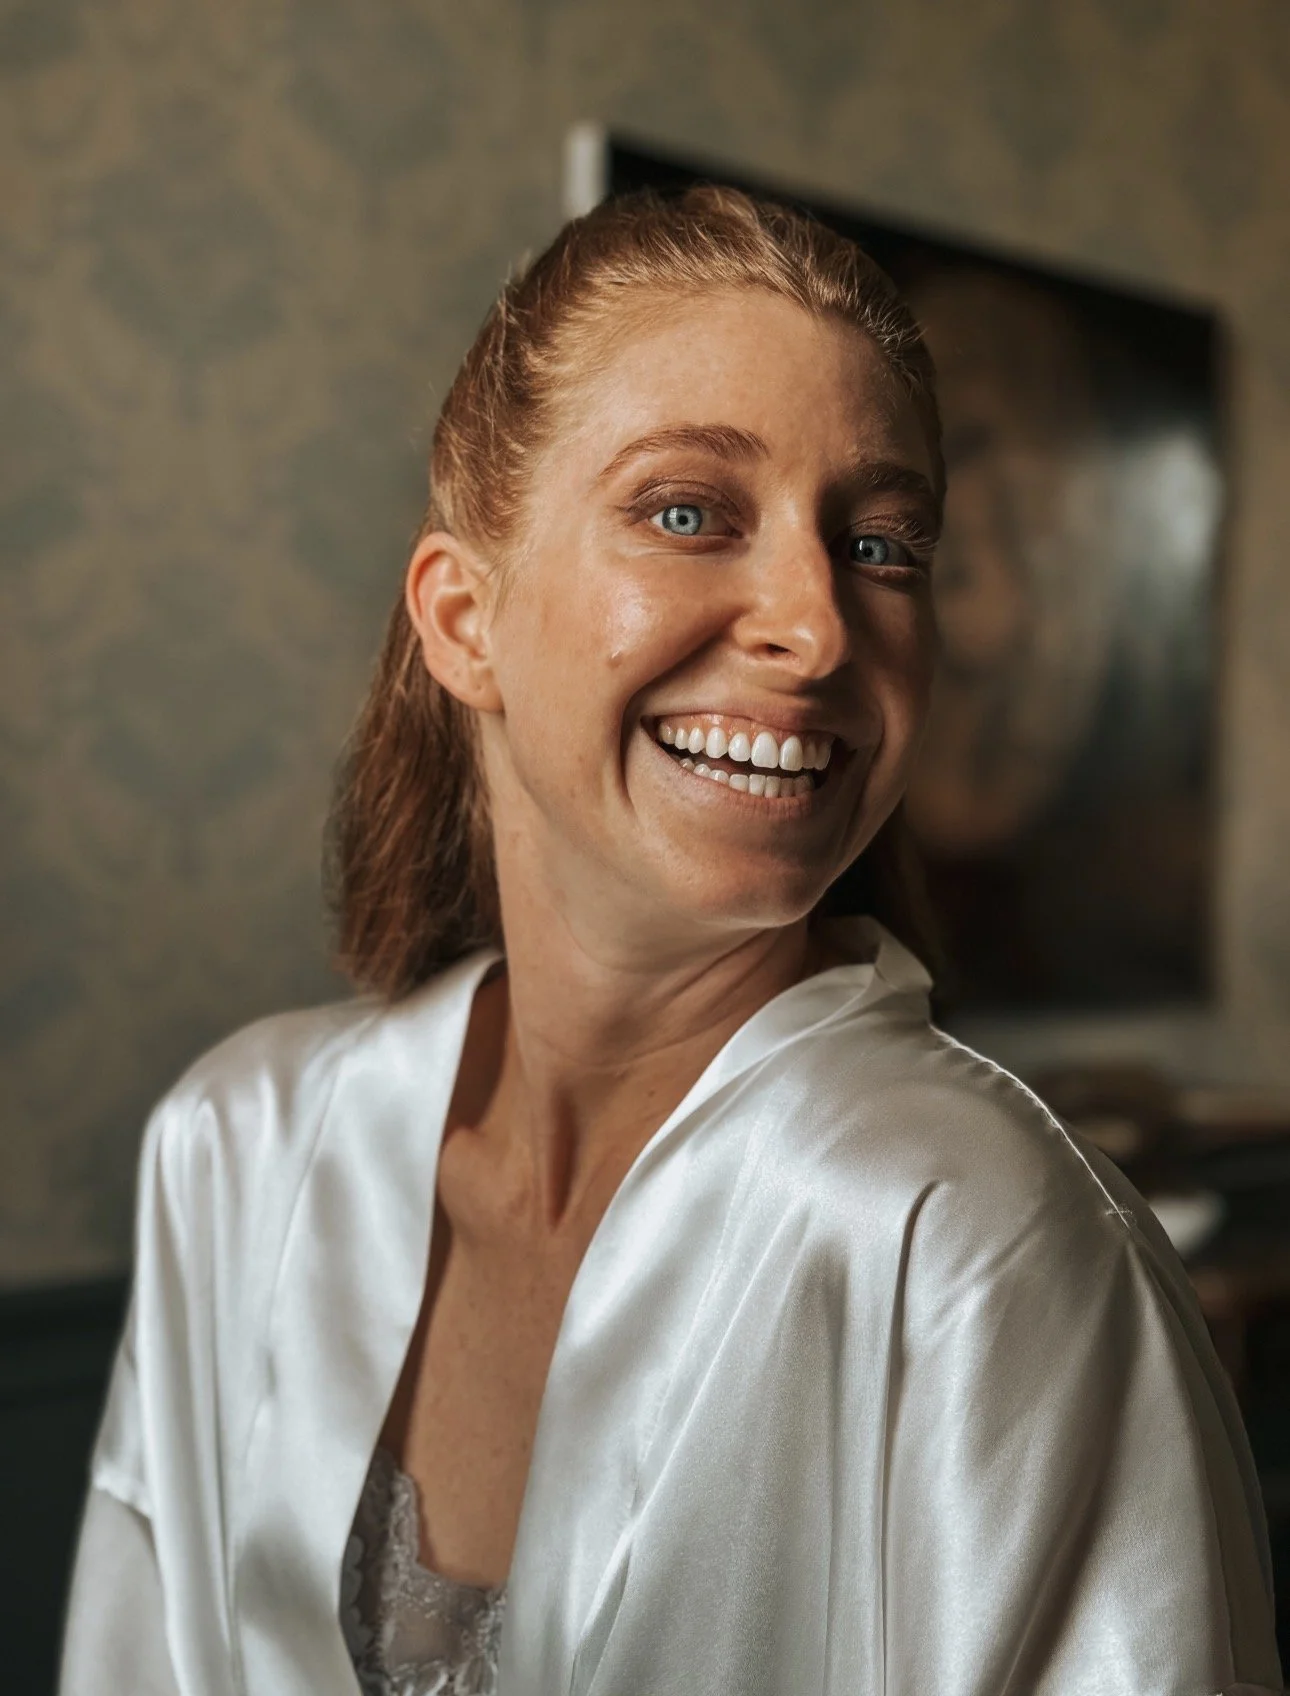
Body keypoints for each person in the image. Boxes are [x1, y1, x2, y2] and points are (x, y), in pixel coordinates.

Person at [58, 186, 1281, 1696]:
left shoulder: (977, 1245)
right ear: (462, 618)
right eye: (689, 512)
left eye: (884, 544)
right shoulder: (239, 1147)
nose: (818, 625)